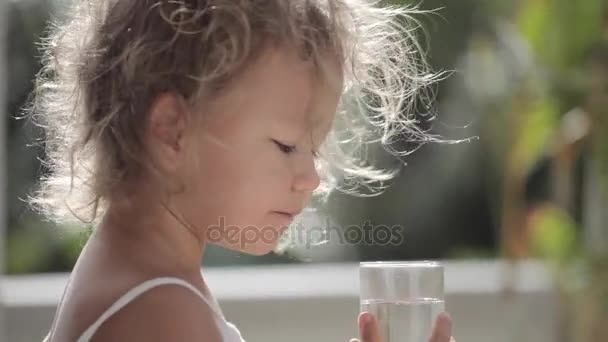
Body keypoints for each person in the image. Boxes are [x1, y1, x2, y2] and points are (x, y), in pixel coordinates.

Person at [26, 0, 455, 341]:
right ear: (173, 132)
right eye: (287, 146)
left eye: (314, 150)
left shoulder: (136, 276)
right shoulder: (162, 314)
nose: (312, 177)